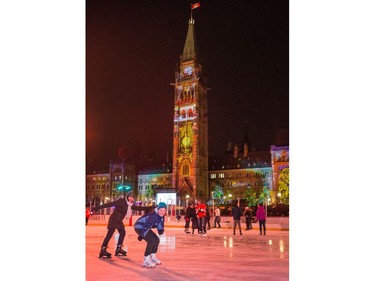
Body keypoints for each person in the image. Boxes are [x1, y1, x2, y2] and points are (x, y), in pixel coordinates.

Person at [92, 192, 151, 258]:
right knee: (109, 235)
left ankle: (118, 249)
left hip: (119, 221)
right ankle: (103, 250)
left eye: (133, 197)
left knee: (123, 233)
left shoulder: (130, 205)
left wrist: (148, 208)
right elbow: (109, 204)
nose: (131, 198)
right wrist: (97, 208)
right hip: (113, 220)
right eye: (130, 197)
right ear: (127, 196)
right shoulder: (121, 201)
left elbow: (138, 208)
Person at [134, 202, 167, 268]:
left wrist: (160, 230)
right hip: (139, 227)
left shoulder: (161, 216)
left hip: (145, 227)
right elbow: (147, 226)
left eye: (164, 210)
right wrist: (141, 235)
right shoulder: (153, 216)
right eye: (160, 210)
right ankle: (146, 260)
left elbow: (160, 223)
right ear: (157, 209)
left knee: (156, 240)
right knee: (151, 240)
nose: (162, 212)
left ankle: (153, 257)